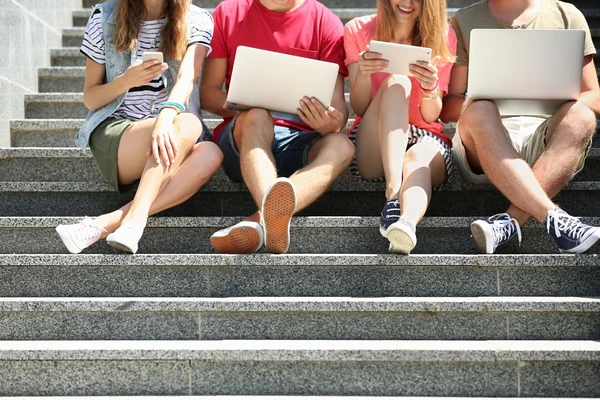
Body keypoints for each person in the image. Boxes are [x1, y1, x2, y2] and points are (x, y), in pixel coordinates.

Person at [55, 0, 223, 254]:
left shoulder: (197, 20)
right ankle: (133, 222)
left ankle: (109, 222)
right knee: (187, 122)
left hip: (171, 129)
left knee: (212, 153)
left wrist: (164, 120)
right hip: (119, 134)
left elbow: (187, 78)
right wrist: (126, 81)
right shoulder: (104, 17)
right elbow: (90, 98)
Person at [441, 0, 600, 254]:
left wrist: (554, 100)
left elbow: (594, 96)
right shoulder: (464, 20)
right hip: (484, 142)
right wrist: (479, 102)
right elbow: (448, 106)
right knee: (479, 109)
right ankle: (556, 218)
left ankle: (508, 222)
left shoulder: (566, 15)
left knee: (582, 116)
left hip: (545, 138)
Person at [201, 0, 354, 254]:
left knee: (343, 145)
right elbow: (208, 94)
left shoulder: (325, 22)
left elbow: (338, 112)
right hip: (244, 140)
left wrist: (328, 122)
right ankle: (269, 214)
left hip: (300, 140)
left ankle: (261, 220)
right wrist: (256, 107)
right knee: (258, 116)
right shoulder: (229, 13)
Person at [344, 0, 456, 254]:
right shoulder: (358, 30)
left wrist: (429, 88)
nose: (407, 3)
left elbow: (431, 115)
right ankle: (393, 193)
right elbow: (360, 108)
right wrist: (362, 73)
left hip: (424, 134)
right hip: (374, 137)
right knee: (398, 82)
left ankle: (405, 225)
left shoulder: (443, 36)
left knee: (417, 156)